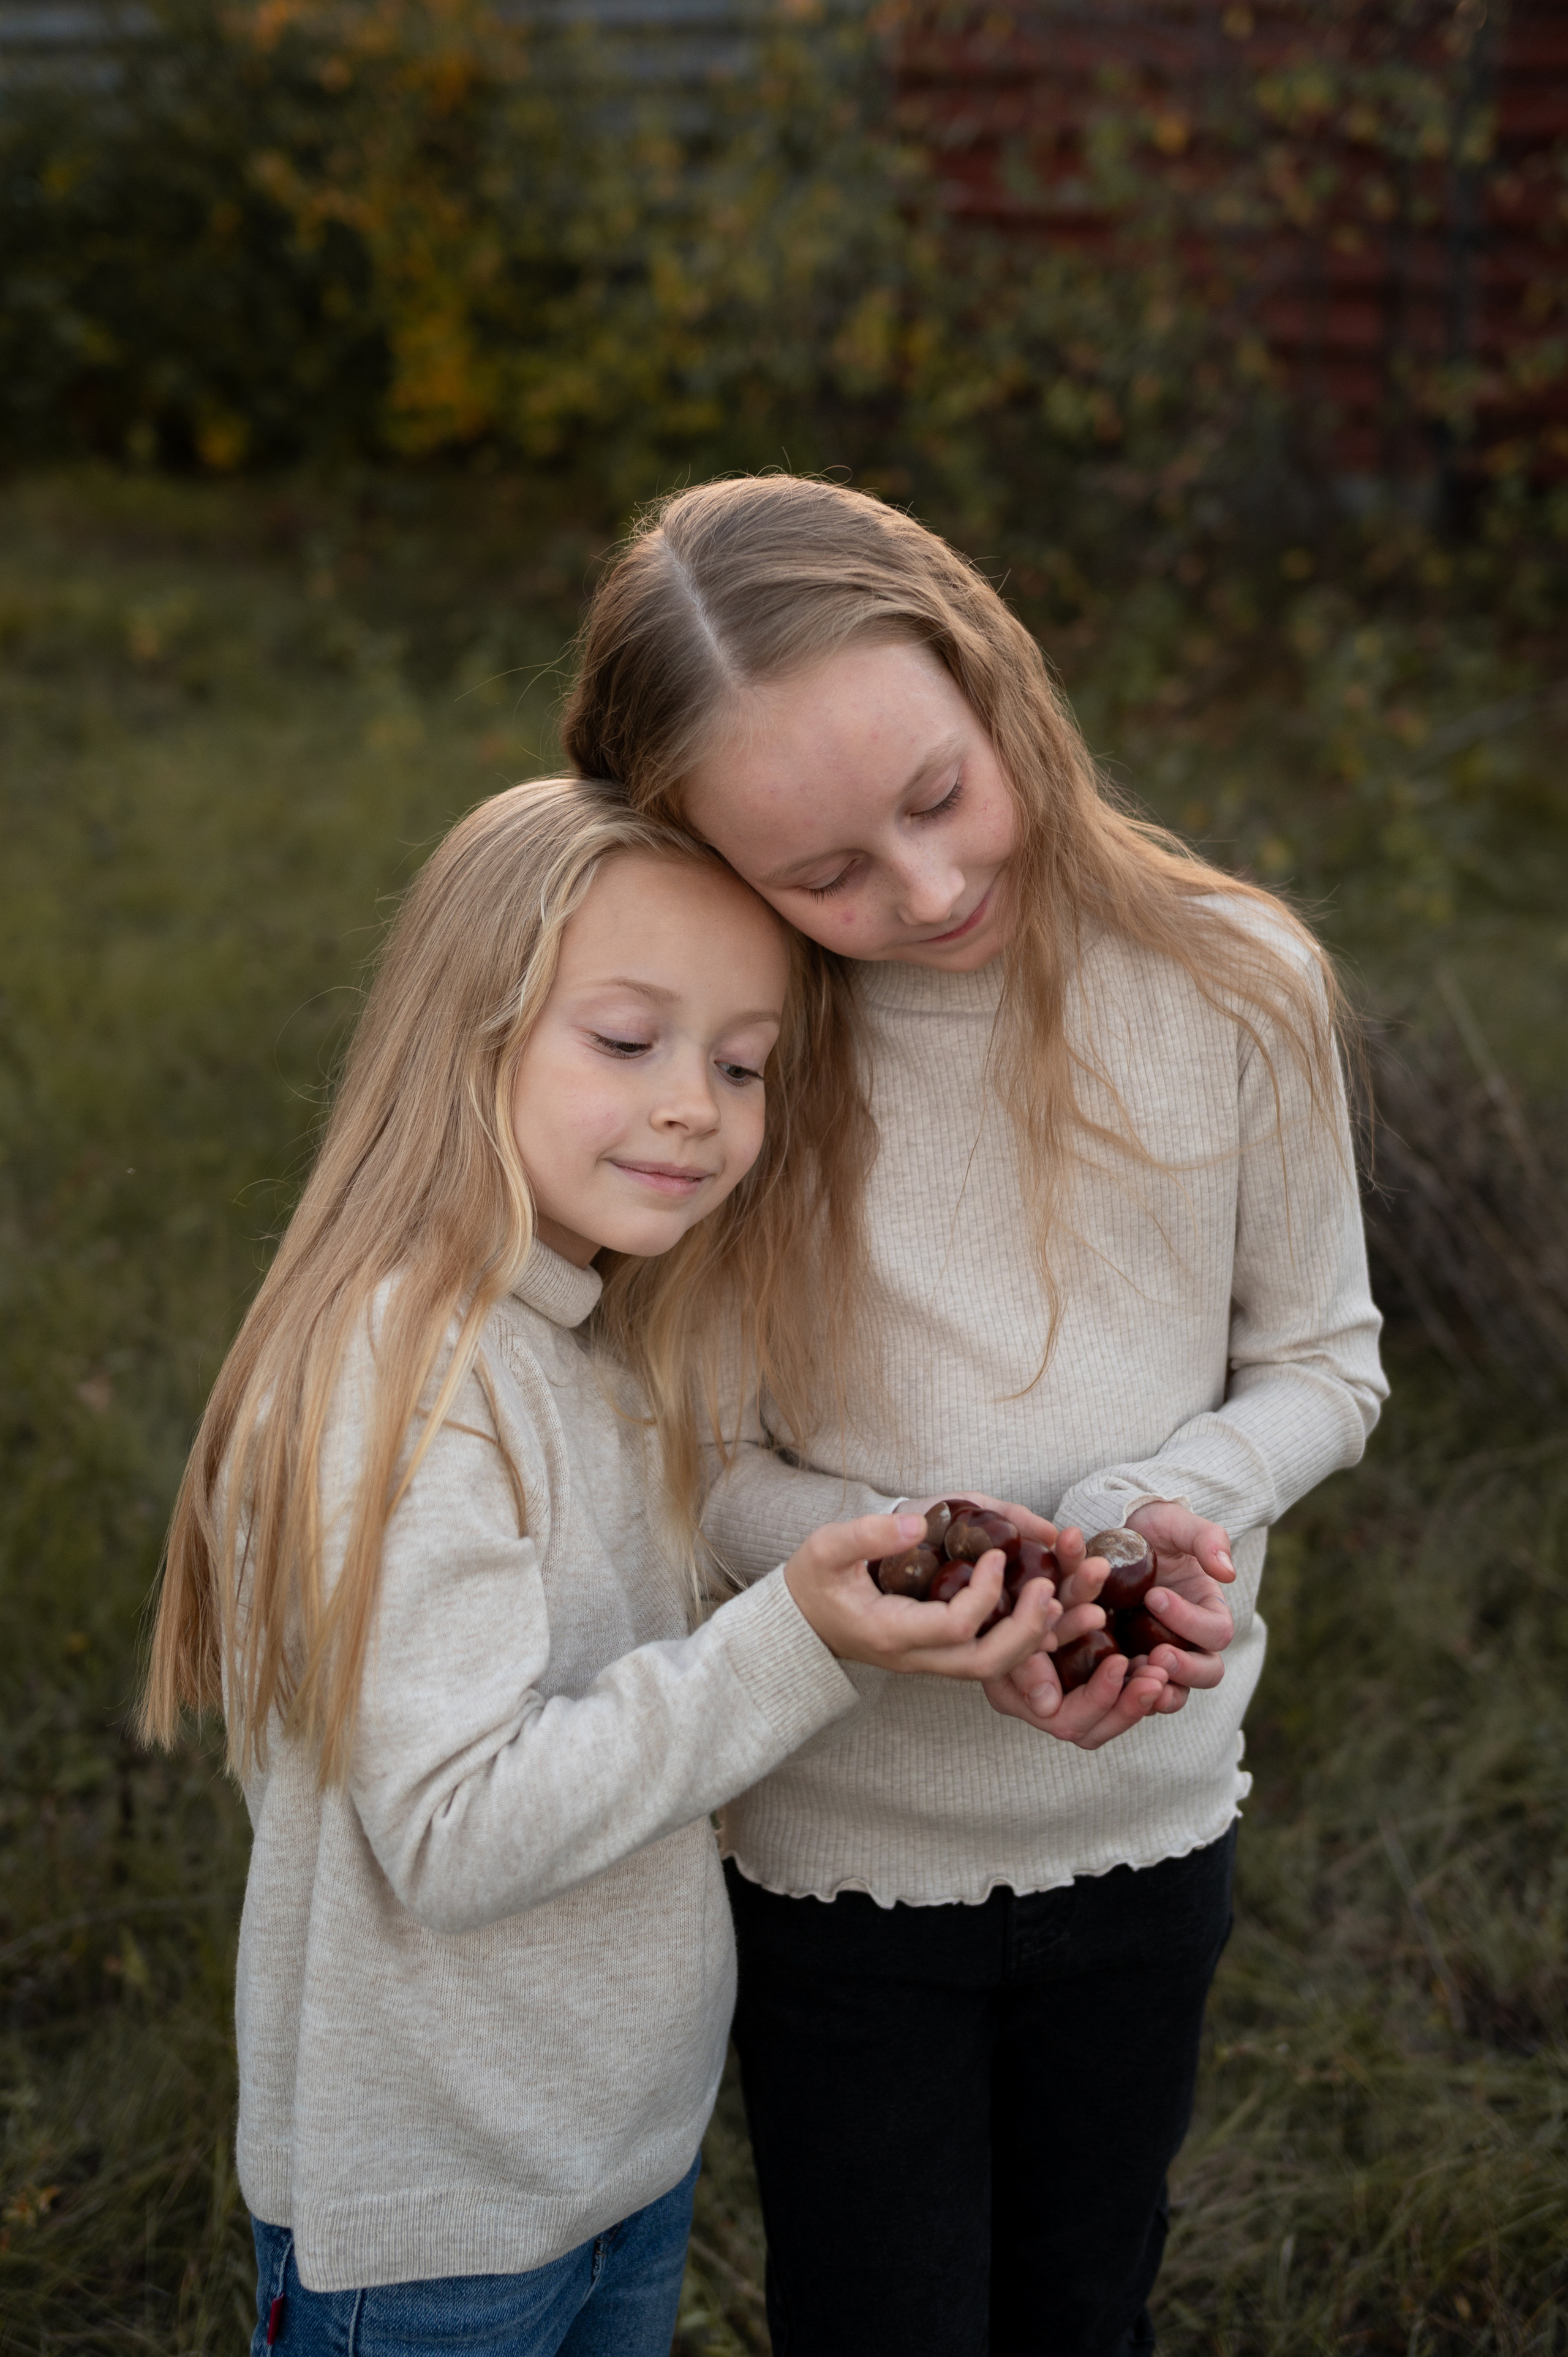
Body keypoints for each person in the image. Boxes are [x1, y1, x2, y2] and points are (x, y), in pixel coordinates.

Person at [562, 477, 1389, 2357]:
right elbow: (684, 1465)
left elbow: (1327, 1361)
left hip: (1149, 1816)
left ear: (996, 675)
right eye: (824, 875)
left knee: (1087, 2300)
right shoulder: (728, 1063)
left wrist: (1172, 1495)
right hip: (838, 1852)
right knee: (883, 2317)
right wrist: (894, 1571)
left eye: (938, 797)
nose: (924, 894)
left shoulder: (1234, 986)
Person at [136, 777, 1077, 2357]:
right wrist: (793, 1641)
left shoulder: (581, 1336)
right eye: (625, 1042)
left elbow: (656, 1589)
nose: (696, 1107)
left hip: (603, 2172)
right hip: (440, 2231)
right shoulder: (410, 1370)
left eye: (741, 1063)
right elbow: (455, 1830)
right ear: (471, 1036)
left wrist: (887, 1565)